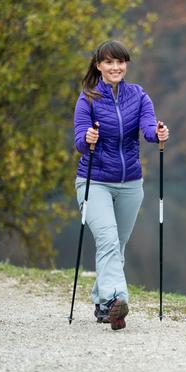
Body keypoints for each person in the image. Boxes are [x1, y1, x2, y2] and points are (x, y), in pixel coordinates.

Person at [73, 40, 169, 330]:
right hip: (94, 182)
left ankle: (103, 305)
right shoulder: (87, 99)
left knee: (117, 246)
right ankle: (117, 299)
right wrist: (88, 138)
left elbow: (149, 128)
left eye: (121, 62)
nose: (116, 67)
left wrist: (158, 132)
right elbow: (79, 140)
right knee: (108, 242)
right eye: (110, 62)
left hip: (130, 184)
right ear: (99, 66)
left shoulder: (138, 96)